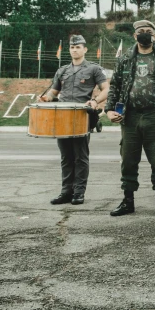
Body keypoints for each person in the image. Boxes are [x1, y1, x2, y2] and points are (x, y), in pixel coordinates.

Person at [105, 20, 155, 217]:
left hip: (154, 115)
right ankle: (128, 201)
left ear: (154, 36)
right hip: (129, 116)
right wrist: (109, 109)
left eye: (148, 31)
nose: (145, 34)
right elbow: (115, 85)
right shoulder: (125, 58)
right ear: (134, 35)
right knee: (128, 160)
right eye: (141, 31)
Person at [43, 34, 108, 206]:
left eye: (78, 47)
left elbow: (106, 89)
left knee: (80, 156)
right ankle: (66, 192)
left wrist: (95, 101)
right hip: (63, 117)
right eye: (72, 47)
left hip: (81, 116)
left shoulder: (93, 69)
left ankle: (79, 192)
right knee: (66, 156)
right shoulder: (62, 70)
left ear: (85, 49)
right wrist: (46, 98)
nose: (74, 49)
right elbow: (54, 92)